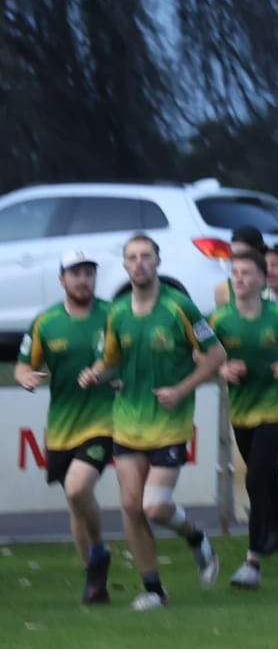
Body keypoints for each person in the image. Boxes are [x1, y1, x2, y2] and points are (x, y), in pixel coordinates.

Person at [81, 234, 227, 610]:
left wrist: (182, 389)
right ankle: (154, 590)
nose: (140, 263)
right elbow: (109, 358)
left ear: (158, 262)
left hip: (169, 422)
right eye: (132, 257)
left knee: (155, 506)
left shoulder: (179, 307)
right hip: (128, 420)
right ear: (126, 266)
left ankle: (195, 536)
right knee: (131, 507)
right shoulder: (117, 312)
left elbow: (215, 355)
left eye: (147, 256)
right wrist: (96, 373)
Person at [14, 249, 116, 603]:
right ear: (62, 280)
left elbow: (125, 360)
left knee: (76, 488)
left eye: (89, 272)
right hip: (62, 426)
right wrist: (27, 378)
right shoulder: (47, 322)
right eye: (76, 273)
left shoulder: (112, 315)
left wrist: (107, 374)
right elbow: (23, 365)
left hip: (104, 420)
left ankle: (100, 550)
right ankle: (94, 579)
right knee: (76, 504)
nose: (83, 279)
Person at [209, 243, 278, 588]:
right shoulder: (219, 319)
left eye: (246, 274)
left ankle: (252, 563)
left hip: (276, 407)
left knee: (255, 481)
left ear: (261, 279)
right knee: (269, 482)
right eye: (235, 274)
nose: (239, 279)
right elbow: (203, 358)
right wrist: (223, 367)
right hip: (241, 411)